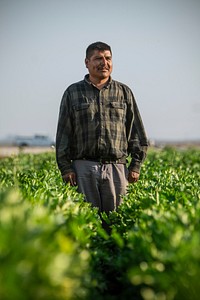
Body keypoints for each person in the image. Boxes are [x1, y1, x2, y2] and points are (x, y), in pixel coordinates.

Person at [56, 41, 148, 215]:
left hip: (116, 168)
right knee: (86, 220)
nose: (104, 63)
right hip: (83, 167)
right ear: (87, 62)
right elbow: (63, 133)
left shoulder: (124, 92)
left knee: (117, 219)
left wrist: (136, 165)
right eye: (98, 58)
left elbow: (137, 131)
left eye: (108, 58)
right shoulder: (72, 92)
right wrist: (65, 168)